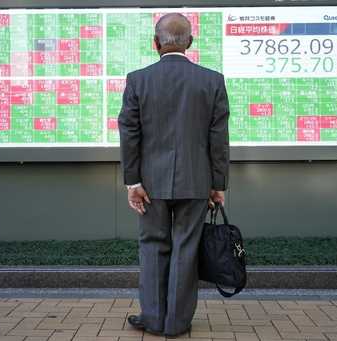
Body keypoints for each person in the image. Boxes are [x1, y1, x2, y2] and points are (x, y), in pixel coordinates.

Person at [118, 12, 230, 337]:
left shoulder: (138, 79)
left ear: (156, 44)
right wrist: (218, 184)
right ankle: (178, 323)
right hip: (197, 181)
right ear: (190, 43)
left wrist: (133, 181)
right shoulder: (212, 80)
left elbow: (129, 131)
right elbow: (218, 137)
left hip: (149, 182)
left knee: (153, 245)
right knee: (186, 247)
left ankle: (153, 318)